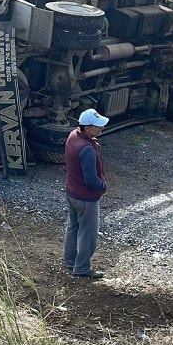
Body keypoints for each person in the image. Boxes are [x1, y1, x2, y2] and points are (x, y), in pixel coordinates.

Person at [65, 109, 109, 279]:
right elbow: (91, 180)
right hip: (86, 198)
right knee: (88, 234)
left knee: (73, 228)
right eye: (98, 127)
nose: (101, 129)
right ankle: (82, 268)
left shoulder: (73, 136)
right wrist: (102, 186)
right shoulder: (87, 149)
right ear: (88, 128)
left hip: (72, 192)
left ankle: (70, 261)